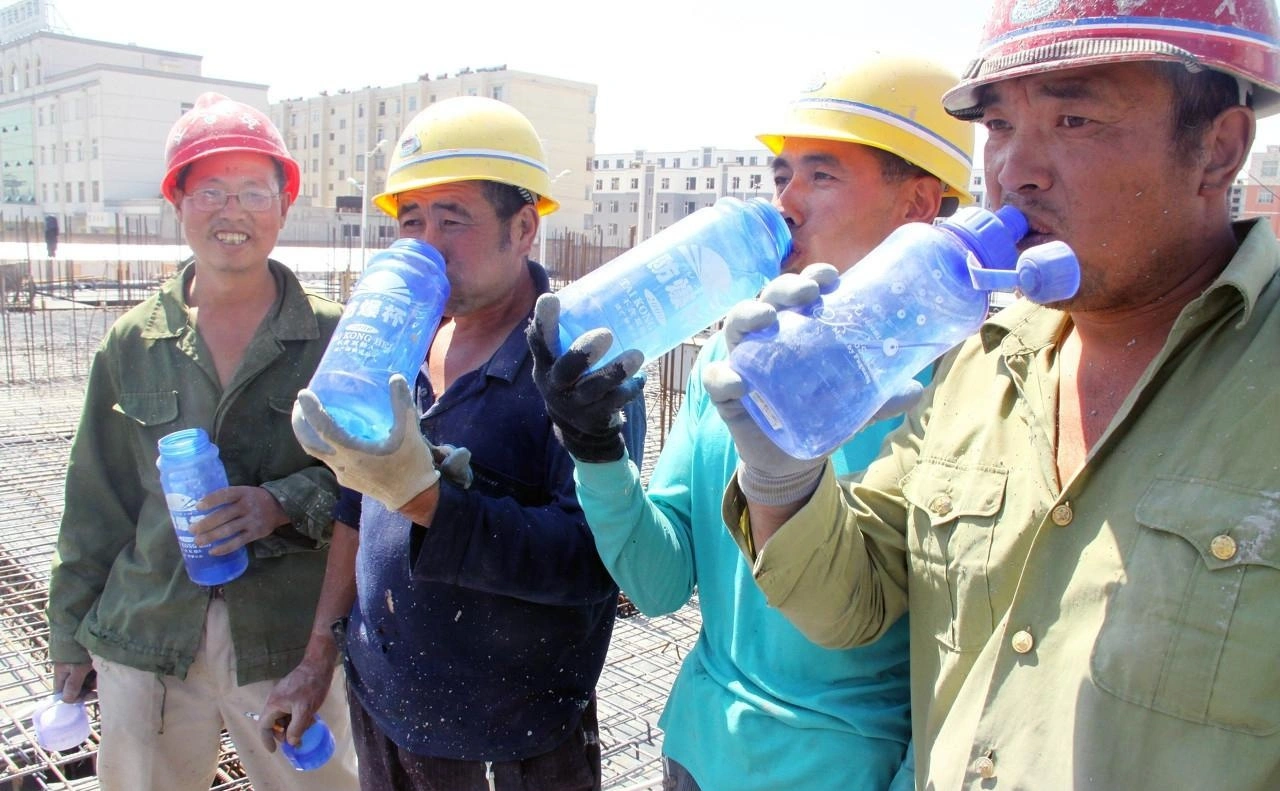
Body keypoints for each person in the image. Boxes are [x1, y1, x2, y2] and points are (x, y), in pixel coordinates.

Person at [703, 1, 1280, 788]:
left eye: (1073, 119)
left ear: (1219, 149)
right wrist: (784, 477)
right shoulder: (980, 359)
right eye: (1001, 127)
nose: (1015, 171)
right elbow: (853, 604)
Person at [527, 57, 974, 791]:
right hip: (699, 754)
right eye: (781, 174)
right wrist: (596, 450)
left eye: (821, 175)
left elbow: (965, 664)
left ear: (919, 204)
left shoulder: (964, 389)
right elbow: (661, 579)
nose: (786, 200)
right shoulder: (739, 359)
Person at [286, 95, 645, 791]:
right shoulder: (404, 337)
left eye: (453, 220)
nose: (426, 243)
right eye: (412, 221)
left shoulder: (576, 369)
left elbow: (594, 564)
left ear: (524, 227)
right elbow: (355, 506)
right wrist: (314, 662)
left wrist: (428, 499)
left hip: (510, 741)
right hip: (387, 709)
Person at [45, 93, 358, 790]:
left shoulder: (335, 337)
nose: (232, 211)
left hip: (286, 639)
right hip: (151, 633)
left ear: (283, 206)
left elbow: (375, 480)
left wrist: (283, 502)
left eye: (253, 191)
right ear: (179, 205)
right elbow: (95, 499)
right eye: (210, 190)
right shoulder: (134, 341)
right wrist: (68, 633)